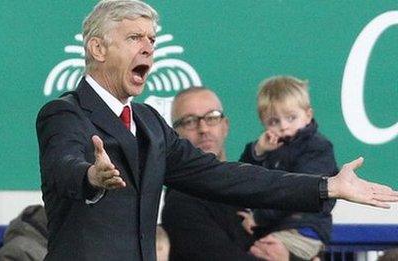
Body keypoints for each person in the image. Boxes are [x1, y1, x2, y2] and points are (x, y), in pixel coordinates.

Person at [35, 0, 398, 260]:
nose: (148, 48)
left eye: (152, 40)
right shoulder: (64, 114)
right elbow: (64, 166)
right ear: (97, 48)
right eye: (134, 38)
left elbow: (227, 177)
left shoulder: (149, 123)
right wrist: (91, 178)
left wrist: (326, 185)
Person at [239, 76, 337, 260]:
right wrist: (258, 152)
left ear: (308, 115)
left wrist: (258, 218)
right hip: (272, 228)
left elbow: (297, 193)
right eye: (274, 121)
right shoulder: (268, 146)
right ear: (263, 122)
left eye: (291, 117)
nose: (283, 126)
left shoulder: (317, 147)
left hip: (303, 230)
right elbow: (242, 179)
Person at [161, 87, 256, 260]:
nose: (203, 128)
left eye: (212, 117)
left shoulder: (250, 184)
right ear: (174, 135)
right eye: (189, 121)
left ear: (225, 126)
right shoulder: (181, 203)